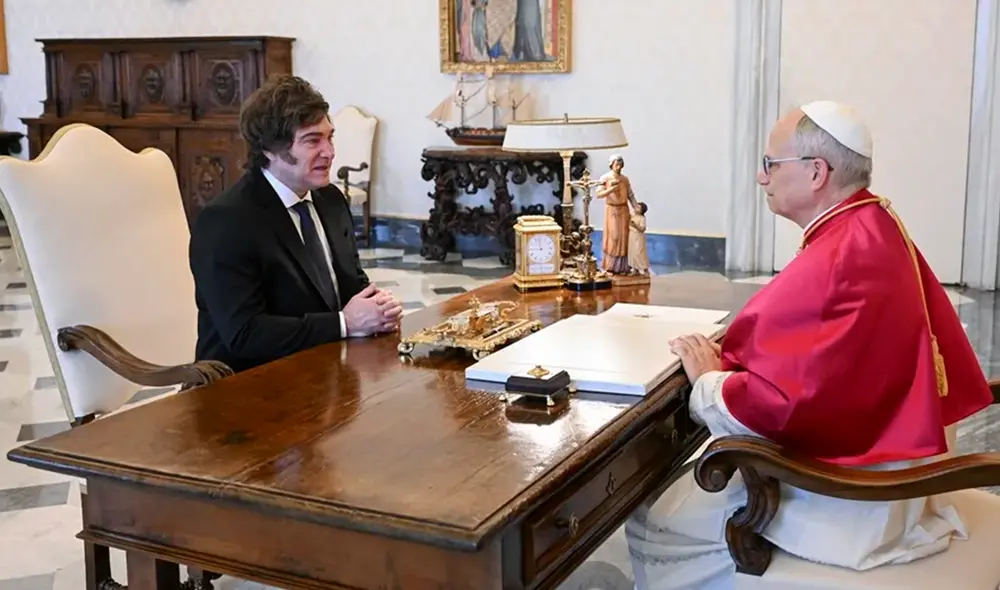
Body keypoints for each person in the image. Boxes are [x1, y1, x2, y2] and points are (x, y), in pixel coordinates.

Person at [625, 101, 993, 589]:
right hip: (888, 461)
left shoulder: (841, 256)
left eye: (770, 164)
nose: (762, 178)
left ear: (817, 172)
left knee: (655, 514)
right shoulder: (873, 221)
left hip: (856, 506)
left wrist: (711, 382)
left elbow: (782, 407)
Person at [189, 74, 402, 373]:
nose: (329, 152)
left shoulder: (330, 200)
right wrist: (345, 323)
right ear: (269, 149)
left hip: (327, 372)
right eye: (312, 140)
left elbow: (351, 284)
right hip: (249, 386)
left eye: (330, 137)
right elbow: (245, 334)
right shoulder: (225, 222)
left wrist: (377, 307)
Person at [596, 155, 639, 274]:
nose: (619, 167)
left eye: (620, 165)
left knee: (624, 237)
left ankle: (623, 266)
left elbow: (630, 194)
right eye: (616, 165)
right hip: (612, 210)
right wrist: (611, 189)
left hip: (624, 210)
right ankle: (610, 266)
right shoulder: (605, 178)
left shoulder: (624, 179)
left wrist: (636, 206)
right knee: (613, 237)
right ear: (611, 165)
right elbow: (599, 194)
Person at [628, 201, 650, 275]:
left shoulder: (642, 218)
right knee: (632, 252)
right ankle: (635, 269)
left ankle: (645, 269)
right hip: (632, 236)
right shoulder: (633, 216)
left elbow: (642, 229)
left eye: (638, 207)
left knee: (639, 252)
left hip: (638, 237)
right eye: (636, 206)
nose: (636, 208)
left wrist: (635, 226)